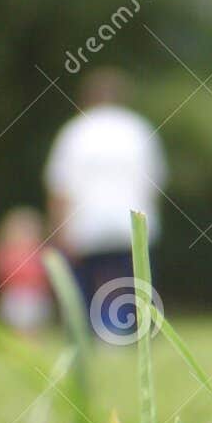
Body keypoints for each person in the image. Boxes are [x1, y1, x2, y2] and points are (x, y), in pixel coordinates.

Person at [44, 69, 166, 337]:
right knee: (134, 285)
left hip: (86, 225)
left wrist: (58, 230)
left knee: (87, 287)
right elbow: (156, 182)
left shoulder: (75, 132)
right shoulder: (138, 128)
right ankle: (130, 333)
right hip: (134, 224)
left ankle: (93, 336)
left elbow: (61, 187)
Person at [0, 208, 53, 333]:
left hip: (35, 297)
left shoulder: (40, 253)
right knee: (15, 327)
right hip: (15, 297)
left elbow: (44, 276)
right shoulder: (7, 253)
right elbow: (2, 275)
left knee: (35, 327)